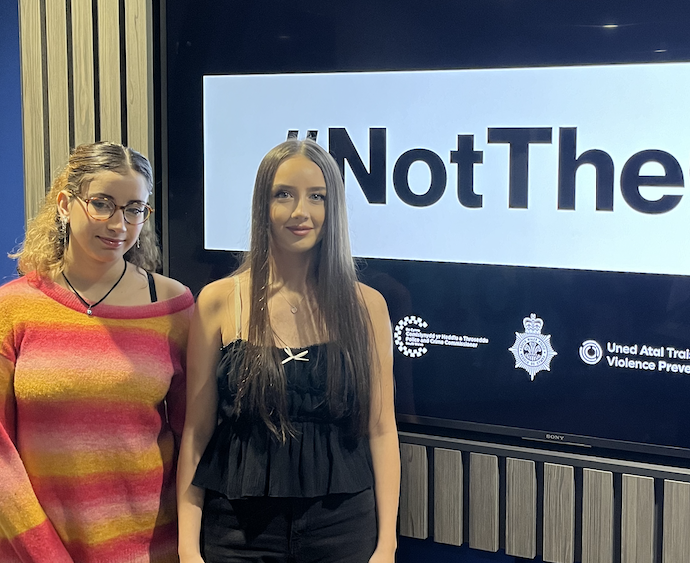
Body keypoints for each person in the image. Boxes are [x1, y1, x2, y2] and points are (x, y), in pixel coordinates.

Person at [177, 139, 399, 563]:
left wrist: (386, 543)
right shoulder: (219, 300)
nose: (302, 211)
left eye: (317, 196)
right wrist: (188, 547)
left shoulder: (367, 306)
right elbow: (197, 430)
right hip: (236, 530)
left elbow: (381, 429)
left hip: (343, 527)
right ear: (264, 205)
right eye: (285, 194)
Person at [0, 142, 193, 562]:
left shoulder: (174, 307)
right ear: (65, 204)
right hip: (36, 551)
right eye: (102, 204)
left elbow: (191, 439)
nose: (119, 224)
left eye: (134, 208)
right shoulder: (13, 307)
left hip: (152, 550)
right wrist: (43, 553)